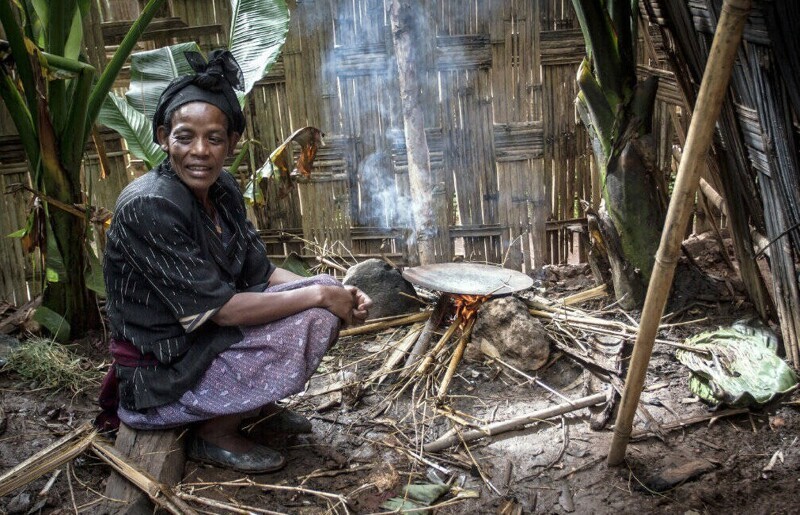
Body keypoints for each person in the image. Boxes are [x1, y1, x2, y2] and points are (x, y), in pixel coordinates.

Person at [100, 49, 371, 474]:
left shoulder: (221, 188)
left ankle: (248, 408)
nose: (201, 151)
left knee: (319, 291)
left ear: (232, 142)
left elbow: (259, 274)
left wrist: (334, 290)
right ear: (161, 137)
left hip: (203, 346)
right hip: (165, 375)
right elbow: (223, 311)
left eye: (215, 138)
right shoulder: (149, 206)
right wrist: (321, 297)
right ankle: (215, 433)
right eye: (185, 136)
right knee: (315, 314)